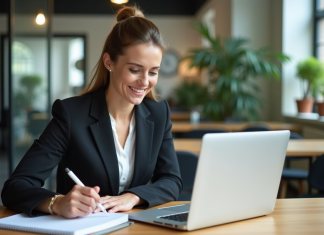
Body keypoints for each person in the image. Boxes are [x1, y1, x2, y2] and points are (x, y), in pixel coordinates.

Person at [1, 5, 182, 218]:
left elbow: (172, 180)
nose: (145, 81)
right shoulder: (71, 114)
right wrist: (57, 203)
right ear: (109, 62)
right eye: (135, 70)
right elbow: (15, 187)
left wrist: (134, 196)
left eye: (153, 72)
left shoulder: (159, 113)